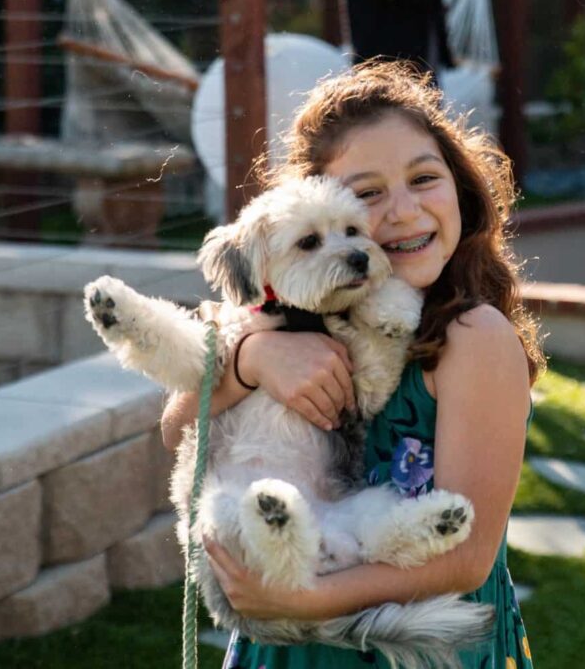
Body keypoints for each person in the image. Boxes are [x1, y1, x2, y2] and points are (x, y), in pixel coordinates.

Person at [161, 60, 543, 669]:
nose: (401, 211)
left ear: (460, 187)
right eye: (367, 194)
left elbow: (469, 558)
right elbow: (178, 431)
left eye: (424, 178)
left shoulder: (474, 336)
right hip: (282, 642)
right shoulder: (274, 320)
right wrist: (252, 360)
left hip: (408, 646)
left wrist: (305, 597)